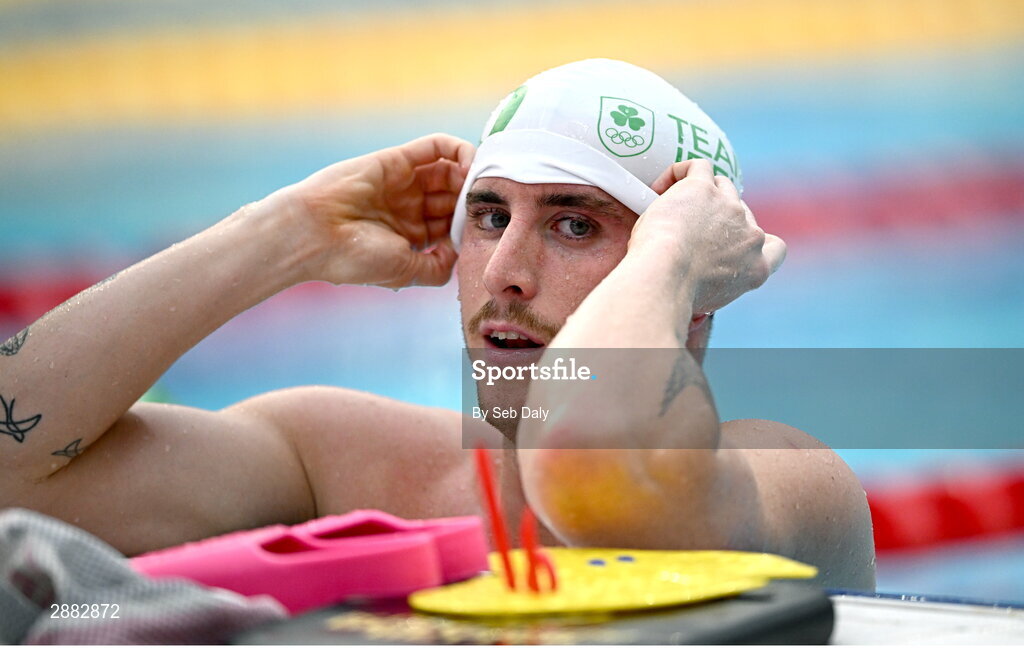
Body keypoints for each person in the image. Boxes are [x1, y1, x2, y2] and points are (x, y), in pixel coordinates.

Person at [0, 60, 875, 589]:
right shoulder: (337, 461)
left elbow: (598, 476)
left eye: (576, 225)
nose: (501, 272)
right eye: (490, 216)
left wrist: (676, 251)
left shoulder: (791, 483)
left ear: (692, 279)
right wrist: (282, 234)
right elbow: (14, 481)